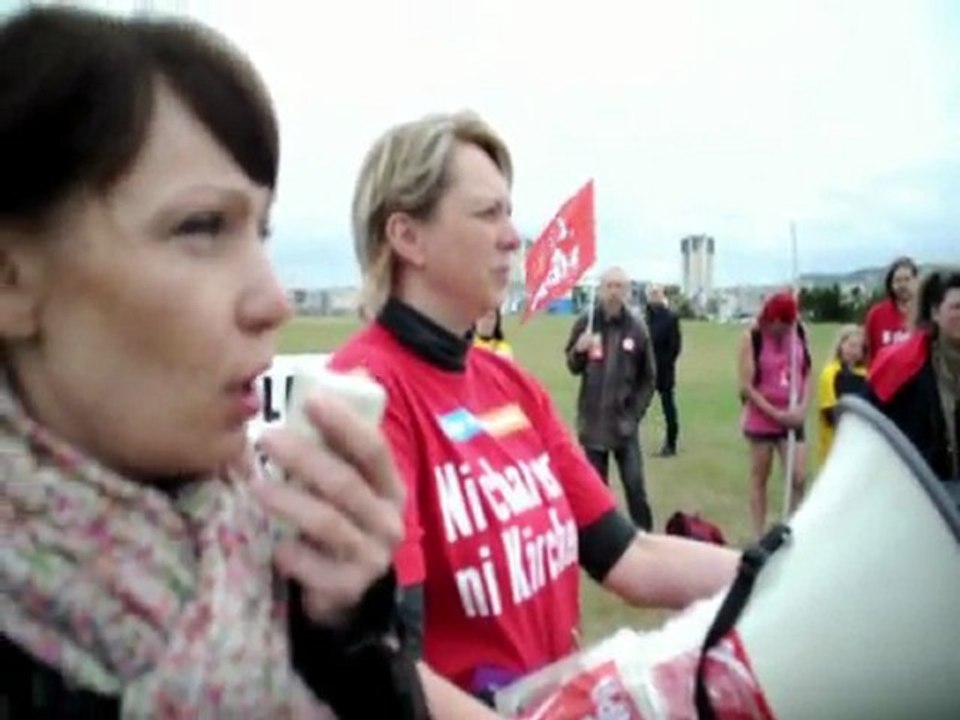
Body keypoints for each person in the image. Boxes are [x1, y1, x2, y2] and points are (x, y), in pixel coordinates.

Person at [0, 8, 426, 719]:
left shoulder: (251, 548)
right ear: (12, 277)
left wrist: (342, 633)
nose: (274, 301)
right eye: (201, 226)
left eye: (260, 232)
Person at [328, 111, 739, 718]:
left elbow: (629, 556)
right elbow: (386, 668)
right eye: (487, 213)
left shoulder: (512, 386)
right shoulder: (365, 398)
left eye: (509, 212)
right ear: (408, 237)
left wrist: (773, 572)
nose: (512, 237)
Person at [564, 267, 656, 530]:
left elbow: (648, 378)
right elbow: (572, 366)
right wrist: (579, 350)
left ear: (627, 291)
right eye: (609, 286)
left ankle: (645, 536)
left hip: (624, 427)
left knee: (635, 487)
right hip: (593, 424)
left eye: (619, 287)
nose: (614, 292)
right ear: (601, 290)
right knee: (596, 493)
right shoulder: (587, 322)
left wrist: (634, 414)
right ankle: (603, 543)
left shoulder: (637, 329)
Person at [868, 270, 960, 481]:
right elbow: (869, 425)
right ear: (935, 313)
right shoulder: (901, 366)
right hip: (917, 485)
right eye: (957, 307)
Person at [739, 291, 812, 538]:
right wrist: (776, 414)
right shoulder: (753, 337)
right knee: (760, 476)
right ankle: (758, 535)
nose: (783, 330)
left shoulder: (800, 332)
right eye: (779, 324)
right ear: (771, 319)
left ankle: (794, 528)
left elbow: (807, 372)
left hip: (793, 416)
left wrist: (801, 408)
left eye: (788, 324)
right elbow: (747, 386)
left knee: (799, 477)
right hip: (762, 417)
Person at [816, 324, 868, 467]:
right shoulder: (830, 373)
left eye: (858, 347)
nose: (854, 351)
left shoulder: (865, 375)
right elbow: (829, 412)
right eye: (851, 345)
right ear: (841, 345)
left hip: (858, 444)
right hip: (834, 444)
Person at [645, 283, 682, 457]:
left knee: (668, 407)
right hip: (644, 370)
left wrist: (664, 365)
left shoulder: (670, 318)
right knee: (635, 404)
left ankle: (671, 443)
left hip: (664, 370)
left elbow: (675, 347)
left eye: (656, 293)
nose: (654, 296)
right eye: (651, 293)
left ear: (662, 296)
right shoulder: (646, 318)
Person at [864, 256, 919, 366]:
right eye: (898, 280)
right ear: (891, 284)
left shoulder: (928, 314)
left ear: (916, 281)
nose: (903, 285)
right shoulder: (876, 315)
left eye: (907, 279)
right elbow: (868, 354)